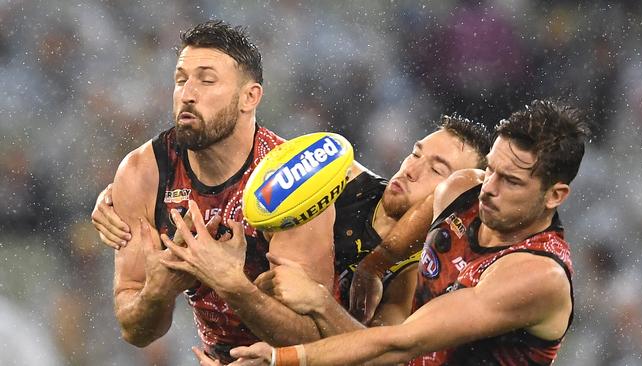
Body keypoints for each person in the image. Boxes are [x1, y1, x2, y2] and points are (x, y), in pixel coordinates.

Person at [221, 99, 589, 365]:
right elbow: (425, 215)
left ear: (555, 195)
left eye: (510, 181)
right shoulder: (463, 189)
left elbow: (401, 345)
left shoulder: (537, 276)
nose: (489, 187)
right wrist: (375, 266)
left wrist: (280, 357)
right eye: (491, 169)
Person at [93, 116, 491, 347]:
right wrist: (126, 194)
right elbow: (248, 157)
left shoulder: (412, 277)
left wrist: (320, 303)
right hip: (211, 335)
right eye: (416, 152)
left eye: (437, 170)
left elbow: (370, 353)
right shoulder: (340, 175)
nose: (412, 168)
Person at [103, 20, 336, 363]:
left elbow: (319, 336)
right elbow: (135, 331)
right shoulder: (145, 172)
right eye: (180, 79)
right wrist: (158, 291)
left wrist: (231, 284)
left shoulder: (291, 180)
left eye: (207, 80)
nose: (187, 93)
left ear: (249, 97)